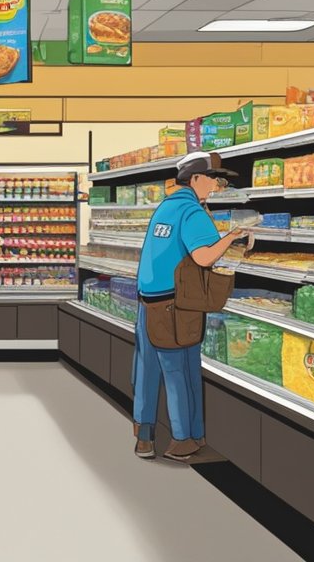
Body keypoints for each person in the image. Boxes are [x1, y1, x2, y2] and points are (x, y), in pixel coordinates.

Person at [132, 151, 247, 461]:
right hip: (175, 306)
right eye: (214, 179)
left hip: (147, 303)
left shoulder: (166, 207)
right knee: (180, 372)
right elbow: (204, 257)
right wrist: (235, 236)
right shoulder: (192, 212)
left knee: (147, 369)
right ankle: (184, 439)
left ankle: (144, 437)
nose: (217, 186)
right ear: (195, 178)